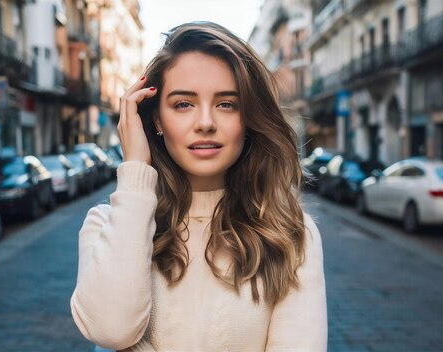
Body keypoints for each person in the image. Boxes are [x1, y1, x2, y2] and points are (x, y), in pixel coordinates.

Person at [71, 22, 327, 351]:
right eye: (183, 104)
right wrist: (135, 169)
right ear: (158, 120)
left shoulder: (291, 235)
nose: (205, 122)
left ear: (247, 119)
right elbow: (111, 331)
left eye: (226, 104)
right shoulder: (108, 226)